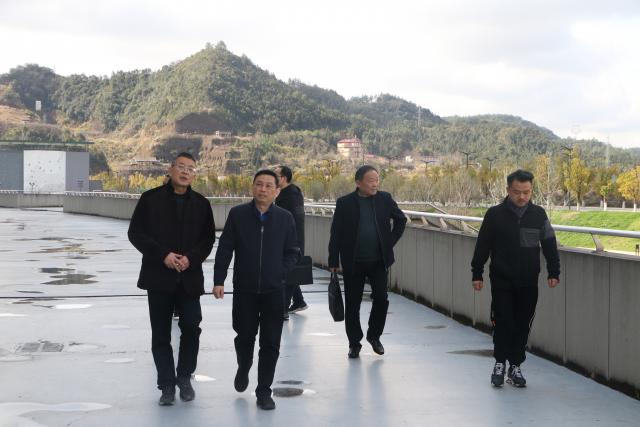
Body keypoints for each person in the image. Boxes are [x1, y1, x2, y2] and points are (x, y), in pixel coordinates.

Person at [128, 152, 215, 406]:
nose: (186, 172)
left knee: (192, 326)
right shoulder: (150, 199)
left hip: (189, 278)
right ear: (170, 169)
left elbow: (208, 239)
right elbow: (135, 233)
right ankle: (166, 385)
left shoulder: (202, 204)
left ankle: (184, 377)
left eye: (191, 168)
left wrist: (191, 258)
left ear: (194, 174)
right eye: (181, 167)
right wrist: (162, 255)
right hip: (158, 277)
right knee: (161, 334)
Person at [212, 169, 299, 411]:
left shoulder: (285, 218)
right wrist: (219, 279)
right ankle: (244, 365)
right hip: (245, 290)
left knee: (271, 343)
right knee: (244, 336)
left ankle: (263, 391)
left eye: (268, 185)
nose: (263, 189)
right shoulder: (238, 214)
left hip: (274, 291)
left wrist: (280, 273)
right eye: (259, 184)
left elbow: (293, 251)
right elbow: (225, 248)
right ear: (252, 187)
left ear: (277, 191)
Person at [471, 169, 560, 388]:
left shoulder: (538, 215)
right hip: (501, 280)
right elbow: (482, 245)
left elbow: (549, 243)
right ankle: (499, 363)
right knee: (503, 322)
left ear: (531, 190)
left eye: (526, 192)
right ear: (508, 190)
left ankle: (515, 366)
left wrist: (554, 271)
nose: (522, 197)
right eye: (517, 192)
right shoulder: (494, 215)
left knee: (522, 324)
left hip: (528, 281)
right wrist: (477, 272)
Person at [328, 165, 407, 359]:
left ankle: (374, 336)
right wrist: (333, 259)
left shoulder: (385, 199)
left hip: (379, 261)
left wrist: (389, 242)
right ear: (358, 182)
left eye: (377, 180)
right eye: (370, 181)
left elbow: (401, 220)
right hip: (353, 262)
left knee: (381, 298)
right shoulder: (345, 203)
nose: (375, 184)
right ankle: (354, 343)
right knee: (352, 304)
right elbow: (336, 232)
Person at [275, 165, 308, 320]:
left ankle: (283, 309)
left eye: (276, 176)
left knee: (288, 274)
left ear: (284, 178)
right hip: (288, 240)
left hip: (292, 241)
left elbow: (295, 220)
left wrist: (291, 242)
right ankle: (299, 301)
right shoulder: (285, 193)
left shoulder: (292, 195)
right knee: (291, 272)